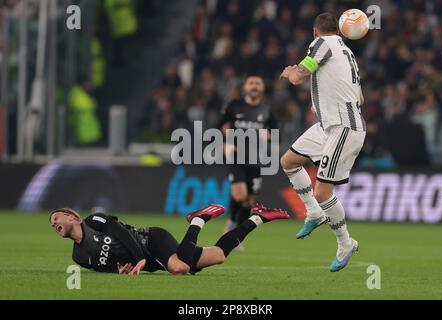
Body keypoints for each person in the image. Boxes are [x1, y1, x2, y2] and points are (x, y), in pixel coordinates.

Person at [278, 13, 366, 272]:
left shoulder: (321, 44)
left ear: (315, 31)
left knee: (323, 192)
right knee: (289, 161)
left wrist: (289, 71)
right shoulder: (347, 53)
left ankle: (345, 242)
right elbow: (360, 99)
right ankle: (314, 213)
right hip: (329, 124)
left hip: (343, 127)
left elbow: (298, 77)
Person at [49, 204, 288, 275]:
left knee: (179, 267)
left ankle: (199, 219)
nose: (55, 224)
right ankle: (258, 218)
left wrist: (140, 259)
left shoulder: (93, 221)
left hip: (151, 240)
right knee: (219, 255)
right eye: (52, 225)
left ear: (72, 217)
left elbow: (121, 232)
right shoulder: (78, 257)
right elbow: (105, 269)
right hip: (151, 262)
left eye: (57, 218)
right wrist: (118, 271)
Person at [216, 75, 277, 245]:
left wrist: (269, 135)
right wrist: (223, 144)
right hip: (236, 155)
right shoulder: (234, 106)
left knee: (249, 200)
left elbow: (275, 132)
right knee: (240, 194)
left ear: (262, 87)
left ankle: (237, 234)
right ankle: (231, 227)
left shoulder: (267, 109)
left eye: (258, 83)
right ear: (246, 87)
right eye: (251, 83)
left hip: (256, 159)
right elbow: (217, 126)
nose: (254, 86)